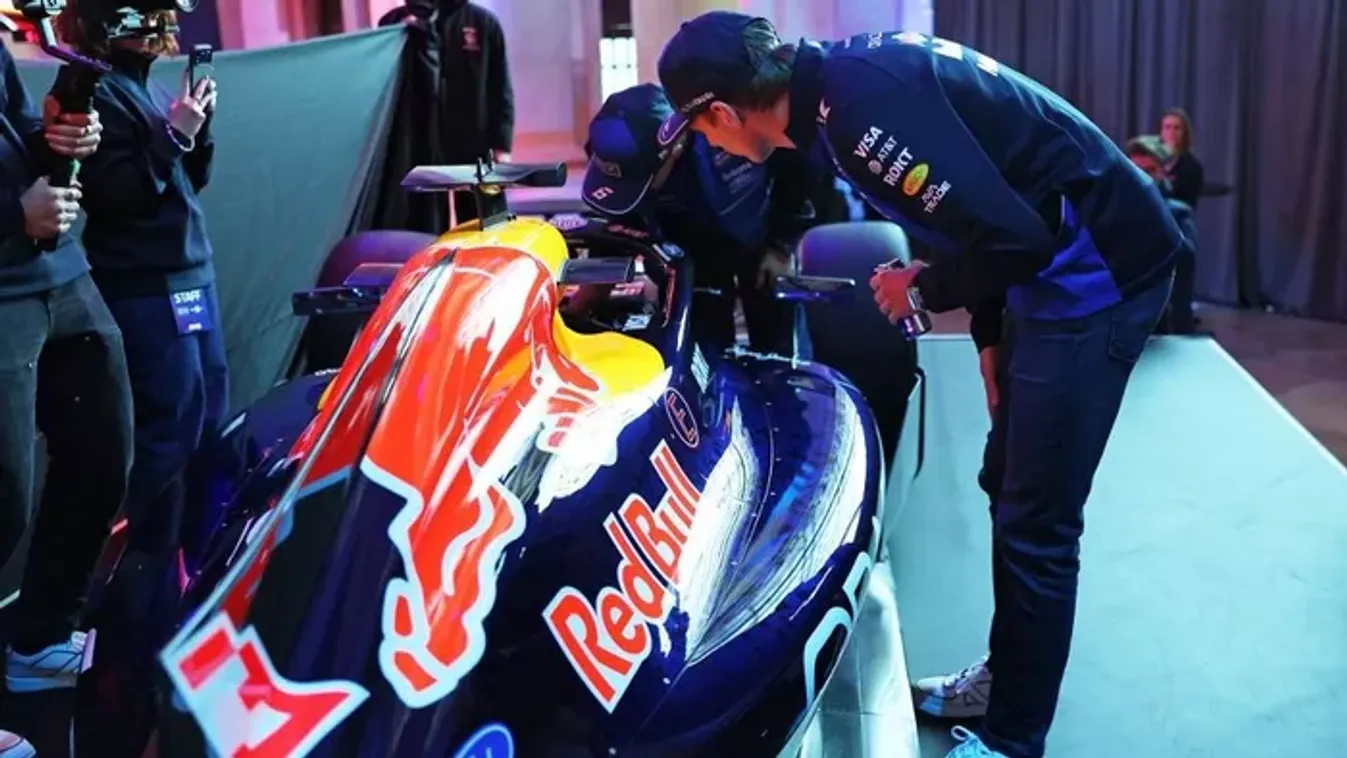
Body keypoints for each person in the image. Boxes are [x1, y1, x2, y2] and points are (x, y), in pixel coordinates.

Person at [656, 14, 1185, 758]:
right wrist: (990, 336)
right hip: (1044, 274)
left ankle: (1012, 739)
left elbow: (1017, 237)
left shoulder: (858, 117)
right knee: (1007, 483)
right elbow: (981, 212)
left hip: (1098, 274)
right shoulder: (837, 96)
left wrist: (921, 289)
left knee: (1037, 520)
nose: (709, 145)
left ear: (721, 112)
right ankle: (1010, 677)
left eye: (700, 130)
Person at [0, 33, 131, 756]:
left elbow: (17, 127)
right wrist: (10, 213)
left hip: (58, 273)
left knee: (104, 457)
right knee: (3, 497)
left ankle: (40, 640)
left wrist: (57, 136)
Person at [580, 83, 816, 355]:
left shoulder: (729, 124)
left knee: (775, 336)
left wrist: (781, 246)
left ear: (676, 145)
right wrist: (591, 291)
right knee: (697, 344)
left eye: (645, 179)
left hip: (760, 230)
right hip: (689, 248)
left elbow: (798, 177)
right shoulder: (611, 151)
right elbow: (617, 219)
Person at [379, 0, 515, 226]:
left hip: (474, 139)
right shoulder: (394, 23)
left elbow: (500, 85)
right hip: (419, 143)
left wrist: (502, 144)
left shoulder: (483, 23)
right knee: (425, 223)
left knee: (481, 223)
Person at [1126, 134, 1198, 334]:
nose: (1142, 178)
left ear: (1163, 172)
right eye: (1136, 170)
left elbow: (1186, 254)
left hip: (1168, 321)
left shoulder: (1179, 212)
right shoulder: (1116, 209)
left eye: (1149, 171)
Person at [1159, 108, 1205, 212]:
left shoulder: (1192, 167)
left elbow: (1187, 204)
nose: (1171, 132)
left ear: (1184, 133)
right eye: (1167, 127)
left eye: (1177, 128)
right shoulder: (1151, 159)